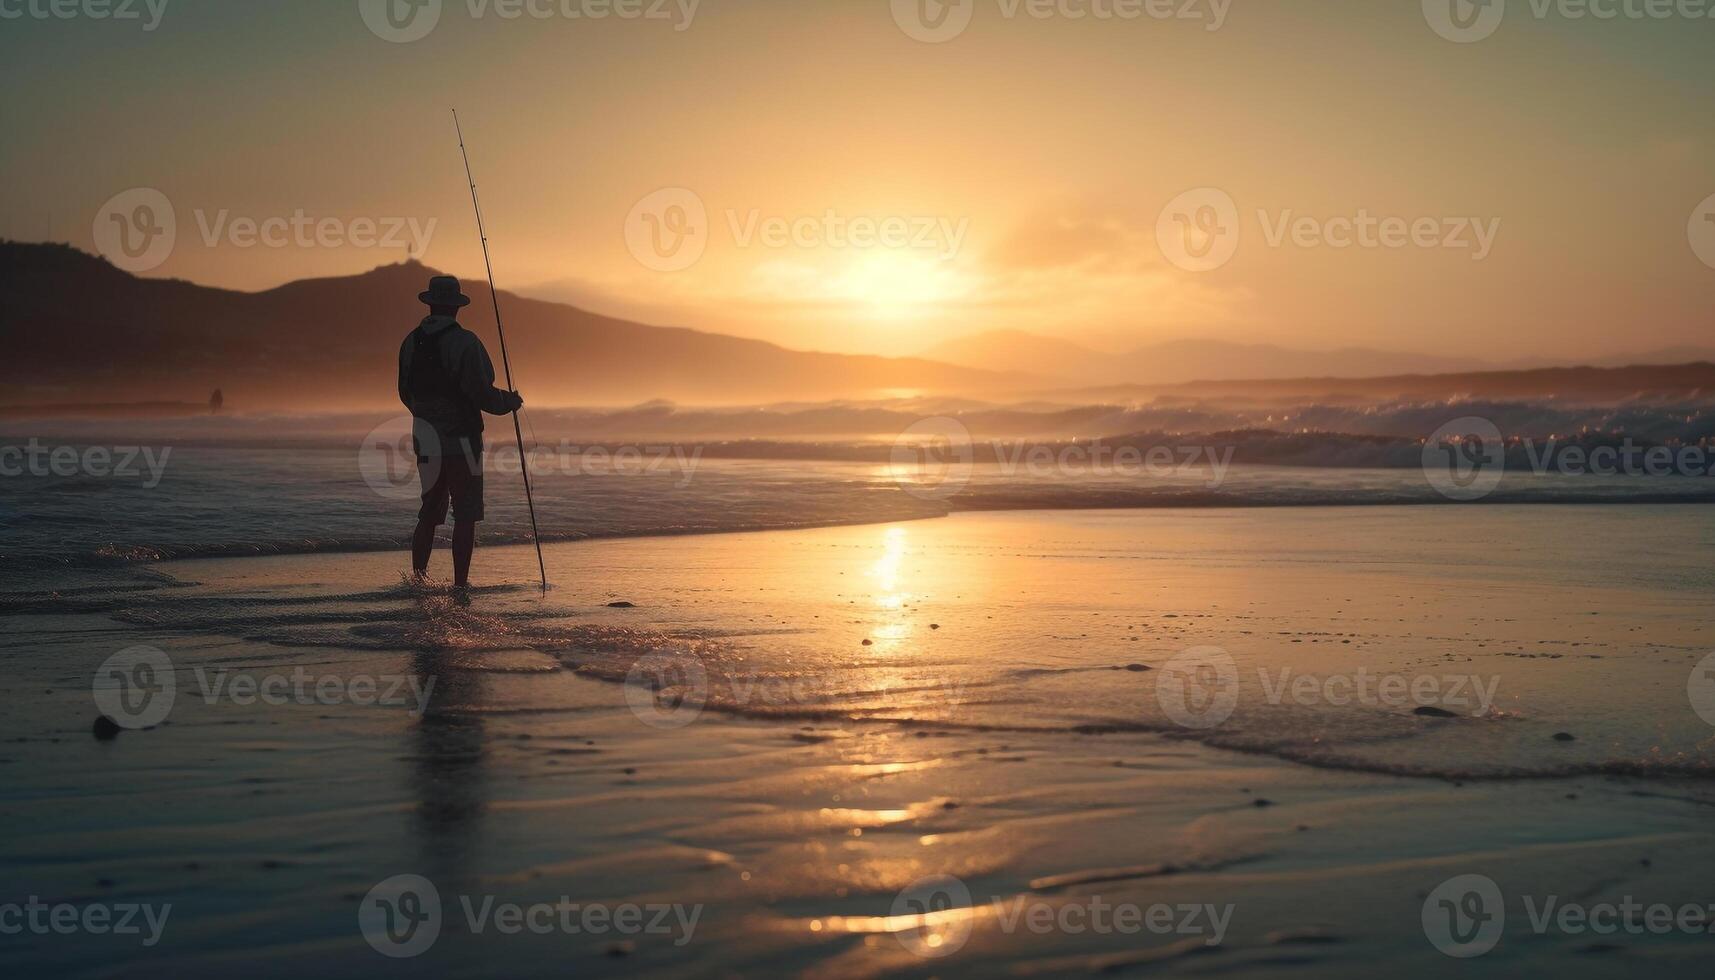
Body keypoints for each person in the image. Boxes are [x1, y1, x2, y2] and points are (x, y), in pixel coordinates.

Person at [397, 275, 523, 588]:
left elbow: (404, 391)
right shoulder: (466, 342)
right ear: (456, 306)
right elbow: (481, 394)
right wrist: (510, 401)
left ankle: (419, 580)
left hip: (425, 439)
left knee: (429, 511)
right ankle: (460, 584)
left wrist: (427, 417)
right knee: (465, 513)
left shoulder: (410, 341)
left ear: (430, 303)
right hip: (462, 440)